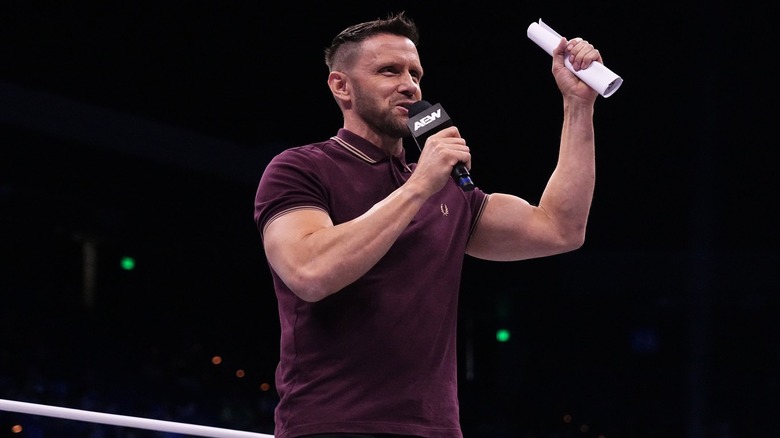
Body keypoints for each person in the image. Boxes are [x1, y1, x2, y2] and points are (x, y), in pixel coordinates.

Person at [254, 10, 602, 438]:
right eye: (388, 71)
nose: (409, 84)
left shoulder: (449, 188)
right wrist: (419, 185)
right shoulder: (301, 168)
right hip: (334, 423)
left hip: (435, 428)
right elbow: (309, 272)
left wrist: (577, 105)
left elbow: (559, 229)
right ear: (341, 85)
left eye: (415, 73)